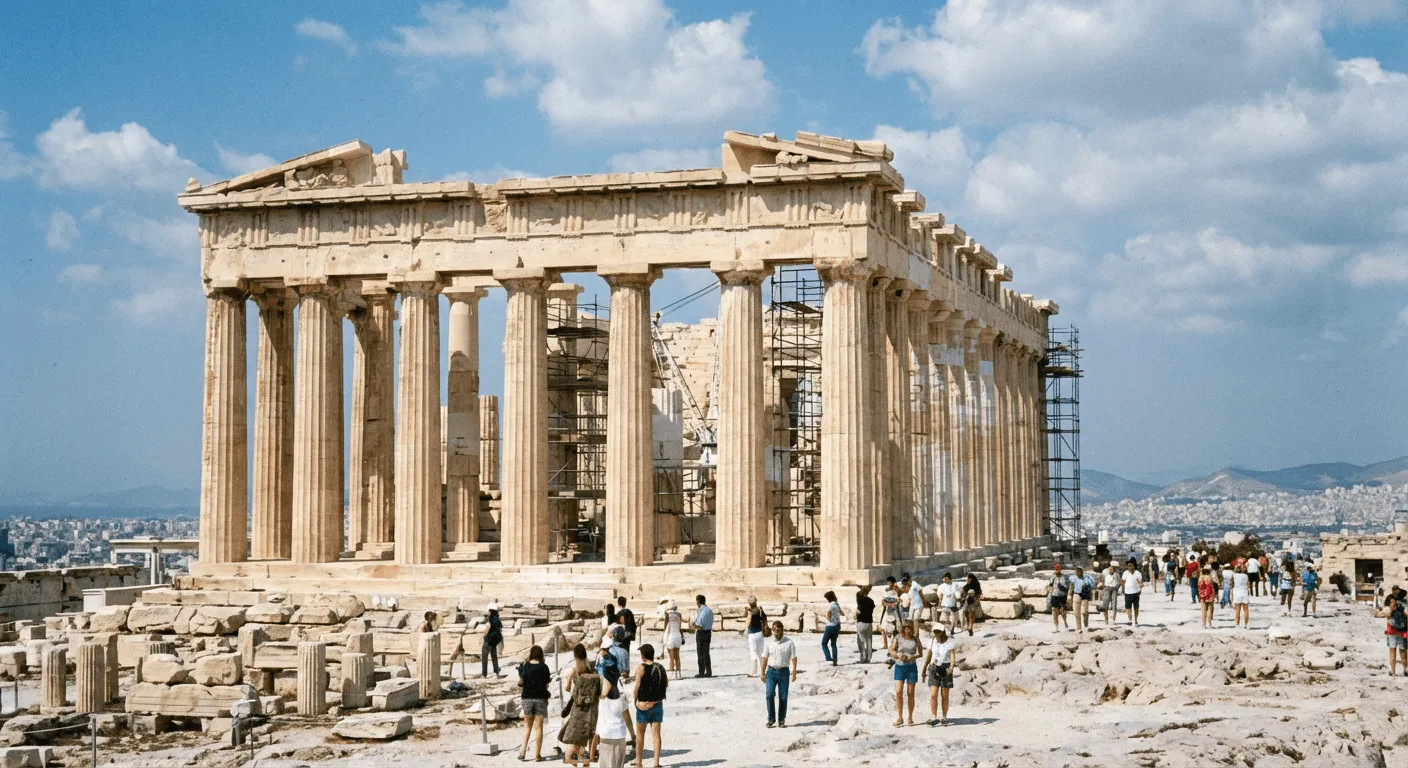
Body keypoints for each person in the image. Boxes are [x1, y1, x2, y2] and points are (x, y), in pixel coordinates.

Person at [559, 644, 601, 767]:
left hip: (578, 708)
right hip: (592, 709)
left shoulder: (574, 670)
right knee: (590, 733)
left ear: (575, 656)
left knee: (575, 735)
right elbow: (598, 691)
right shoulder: (593, 670)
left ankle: (573, 759)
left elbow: (567, 688)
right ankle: (587, 760)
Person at [631, 644, 668, 768]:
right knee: (656, 735)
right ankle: (656, 763)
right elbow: (664, 686)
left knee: (640, 734)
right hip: (657, 705)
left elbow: (636, 687)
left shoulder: (640, 668)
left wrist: (635, 702)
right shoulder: (660, 668)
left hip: (643, 706)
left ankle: (639, 762)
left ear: (643, 656)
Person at [760, 620, 797, 728]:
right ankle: (771, 719)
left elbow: (794, 657)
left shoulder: (789, 642)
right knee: (769, 694)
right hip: (771, 671)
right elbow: (764, 658)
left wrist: (794, 672)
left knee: (783, 697)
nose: (776, 632)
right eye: (774, 630)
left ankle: (781, 720)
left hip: (784, 672)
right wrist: (762, 673)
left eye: (778, 630)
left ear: (782, 630)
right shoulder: (768, 643)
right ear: (772, 631)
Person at [518, 645, 552, 762]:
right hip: (541, 699)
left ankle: (522, 751)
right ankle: (537, 755)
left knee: (527, 726)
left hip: (527, 698)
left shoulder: (525, 666)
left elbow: (521, 680)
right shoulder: (544, 667)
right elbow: (547, 683)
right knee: (539, 727)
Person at [595, 664, 633, 768]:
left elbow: (597, 719)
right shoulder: (622, 697)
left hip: (605, 734)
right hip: (619, 733)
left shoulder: (600, 698)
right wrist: (633, 735)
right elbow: (627, 718)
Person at [922, 626, 958, 727]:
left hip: (945, 667)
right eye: (935, 632)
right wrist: (924, 668)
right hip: (933, 667)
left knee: (944, 695)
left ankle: (944, 717)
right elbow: (929, 655)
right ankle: (934, 717)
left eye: (938, 631)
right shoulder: (932, 641)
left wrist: (951, 666)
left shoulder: (949, 642)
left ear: (943, 632)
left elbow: (952, 655)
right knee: (933, 694)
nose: (937, 634)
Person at [890, 622, 921, 726]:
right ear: (903, 628)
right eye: (905, 628)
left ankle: (910, 717)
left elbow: (920, 653)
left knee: (910, 693)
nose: (907, 629)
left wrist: (913, 656)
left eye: (909, 628)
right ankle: (899, 717)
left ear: (912, 629)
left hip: (911, 667)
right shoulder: (898, 637)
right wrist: (897, 655)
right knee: (898, 692)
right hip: (899, 666)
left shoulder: (915, 639)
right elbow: (891, 650)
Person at [1381, 595, 1408, 676]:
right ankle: (1405, 670)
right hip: (1401, 633)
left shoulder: (1387, 610)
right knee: (1402, 652)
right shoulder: (1402, 608)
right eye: (1392, 601)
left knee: (1393, 652)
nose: (1394, 603)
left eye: (1394, 601)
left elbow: (1378, 615)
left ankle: (1393, 672)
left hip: (1393, 634)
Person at [880, 578, 903, 666]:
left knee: (895, 633)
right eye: (888, 582)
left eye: (890, 583)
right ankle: (891, 651)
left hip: (895, 614)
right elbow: (883, 602)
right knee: (889, 632)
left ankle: (893, 652)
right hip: (888, 614)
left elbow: (899, 601)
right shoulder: (886, 591)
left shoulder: (897, 591)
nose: (889, 584)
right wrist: (890, 604)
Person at [744, 595, 768, 675]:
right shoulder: (760, 609)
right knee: (760, 652)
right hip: (760, 633)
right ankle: (762, 671)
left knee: (753, 652)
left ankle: (754, 672)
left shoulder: (749, 611)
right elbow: (764, 618)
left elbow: (746, 621)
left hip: (752, 634)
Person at [691, 595, 713, 677]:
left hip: (701, 633)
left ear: (698, 601)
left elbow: (700, 625)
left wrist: (694, 625)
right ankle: (708, 671)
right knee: (706, 653)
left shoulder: (702, 611)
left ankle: (701, 672)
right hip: (708, 632)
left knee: (700, 653)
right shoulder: (709, 611)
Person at [660, 600, 683, 680]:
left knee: (671, 657)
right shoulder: (679, 614)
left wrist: (663, 637)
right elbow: (679, 626)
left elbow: (665, 626)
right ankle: (679, 674)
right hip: (677, 636)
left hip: (670, 636)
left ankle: (672, 674)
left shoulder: (667, 614)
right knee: (677, 656)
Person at [1046, 564, 1071, 633]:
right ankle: (1056, 628)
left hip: (1062, 596)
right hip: (1054, 595)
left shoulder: (1064, 577)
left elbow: (1068, 587)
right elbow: (1050, 586)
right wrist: (1050, 590)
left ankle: (1065, 621)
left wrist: (1064, 589)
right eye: (1056, 569)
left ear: (1060, 570)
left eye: (1058, 569)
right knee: (1054, 612)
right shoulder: (1052, 577)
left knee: (1063, 611)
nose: (1057, 571)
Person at [482, 603, 503, 677]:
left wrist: (482, 637)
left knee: (484, 657)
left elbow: (487, 630)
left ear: (491, 611)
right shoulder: (498, 620)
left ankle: (484, 674)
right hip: (494, 641)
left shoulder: (490, 619)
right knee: (494, 656)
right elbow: (500, 629)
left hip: (488, 641)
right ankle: (497, 672)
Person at [855, 586, 876, 663]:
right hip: (869, 622)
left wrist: (856, 611)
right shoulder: (871, 600)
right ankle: (868, 658)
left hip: (861, 622)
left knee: (861, 641)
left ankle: (863, 658)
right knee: (869, 641)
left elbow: (859, 611)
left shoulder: (860, 600)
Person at [821, 590, 842, 665]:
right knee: (833, 644)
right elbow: (841, 613)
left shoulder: (830, 606)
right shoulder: (836, 604)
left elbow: (828, 614)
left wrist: (827, 617)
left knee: (824, 643)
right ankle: (835, 660)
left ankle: (829, 659)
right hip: (837, 626)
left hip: (830, 626)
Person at [1121, 560, 1144, 626]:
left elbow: (1140, 582)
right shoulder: (1125, 573)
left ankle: (1136, 620)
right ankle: (1130, 619)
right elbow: (1123, 581)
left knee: (1136, 607)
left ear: (1134, 566)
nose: (1129, 567)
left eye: (1130, 565)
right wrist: (1123, 589)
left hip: (1136, 592)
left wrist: (1140, 589)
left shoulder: (1138, 573)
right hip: (1127, 592)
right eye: (1128, 566)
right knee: (1128, 607)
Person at [1071, 566, 1093, 633]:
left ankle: (1086, 624)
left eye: (1079, 571)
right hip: (1076, 594)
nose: (1077, 573)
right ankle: (1079, 628)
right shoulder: (1073, 578)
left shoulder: (1086, 578)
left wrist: (1086, 586)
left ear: (1082, 572)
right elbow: (1071, 586)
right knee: (1076, 612)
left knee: (1084, 611)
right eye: (1076, 571)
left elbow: (1091, 586)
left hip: (1084, 595)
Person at [905, 573, 926, 638]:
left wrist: (924, 601)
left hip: (918, 605)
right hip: (912, 606)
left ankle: (916, 634)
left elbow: (921, 592)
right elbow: (909, 597)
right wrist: (908, 604)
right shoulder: (907, 586)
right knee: (910, 619)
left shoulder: (915, 584)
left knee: (916, 619)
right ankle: (911, 632)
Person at [1232, 564, 1251, 628]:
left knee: (1237, 610)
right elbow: (1248, 584)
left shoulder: (1234, 575)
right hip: (1244, 592)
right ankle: (1246, 624)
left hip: (1237, 592)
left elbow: (1232, 583)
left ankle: (1237, 624)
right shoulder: (1246, 576)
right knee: (1246, 609)